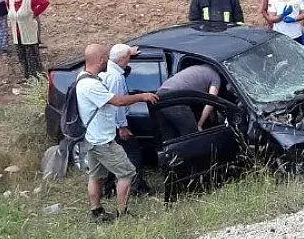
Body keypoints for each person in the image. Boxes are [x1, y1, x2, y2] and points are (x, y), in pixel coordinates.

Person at [76, 44, 159, 221]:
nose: (108, 59)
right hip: (104, 141)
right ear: (99, 60)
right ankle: (123, 213)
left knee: (95, 176)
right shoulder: (92, 86)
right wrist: (143, 96)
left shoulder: (83, 77)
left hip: (92, 137)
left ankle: (96, 211)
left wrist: (128, 51)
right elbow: (119, 101)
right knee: (127, 173)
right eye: (105, 56)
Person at [102, 43, 152, 196]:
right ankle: (138, 187)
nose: (129, 62)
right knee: (133, 154)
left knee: (112, 154)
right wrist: (122, 127)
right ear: (122, 59)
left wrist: (129, 51)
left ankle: (108, 186)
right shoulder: (116, 78)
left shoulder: (107, 68)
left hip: (108, 123)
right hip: (117, 124)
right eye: (128, 58)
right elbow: (119, 104)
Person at [155, 64, 223, 136]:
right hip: (174, 99)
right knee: (192, 135)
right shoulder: (216, 76)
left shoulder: (197, 68)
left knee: (170, 137)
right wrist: (200, 125)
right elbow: (211, 102)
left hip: (158, 97)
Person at [7, 0, 49, 81]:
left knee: (32, 56)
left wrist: (35, 13)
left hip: (29, 32)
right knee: (22, 56)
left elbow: (45, 2)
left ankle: (37, 77)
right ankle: (26, 76)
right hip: (17, 34)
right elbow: (10, 10)